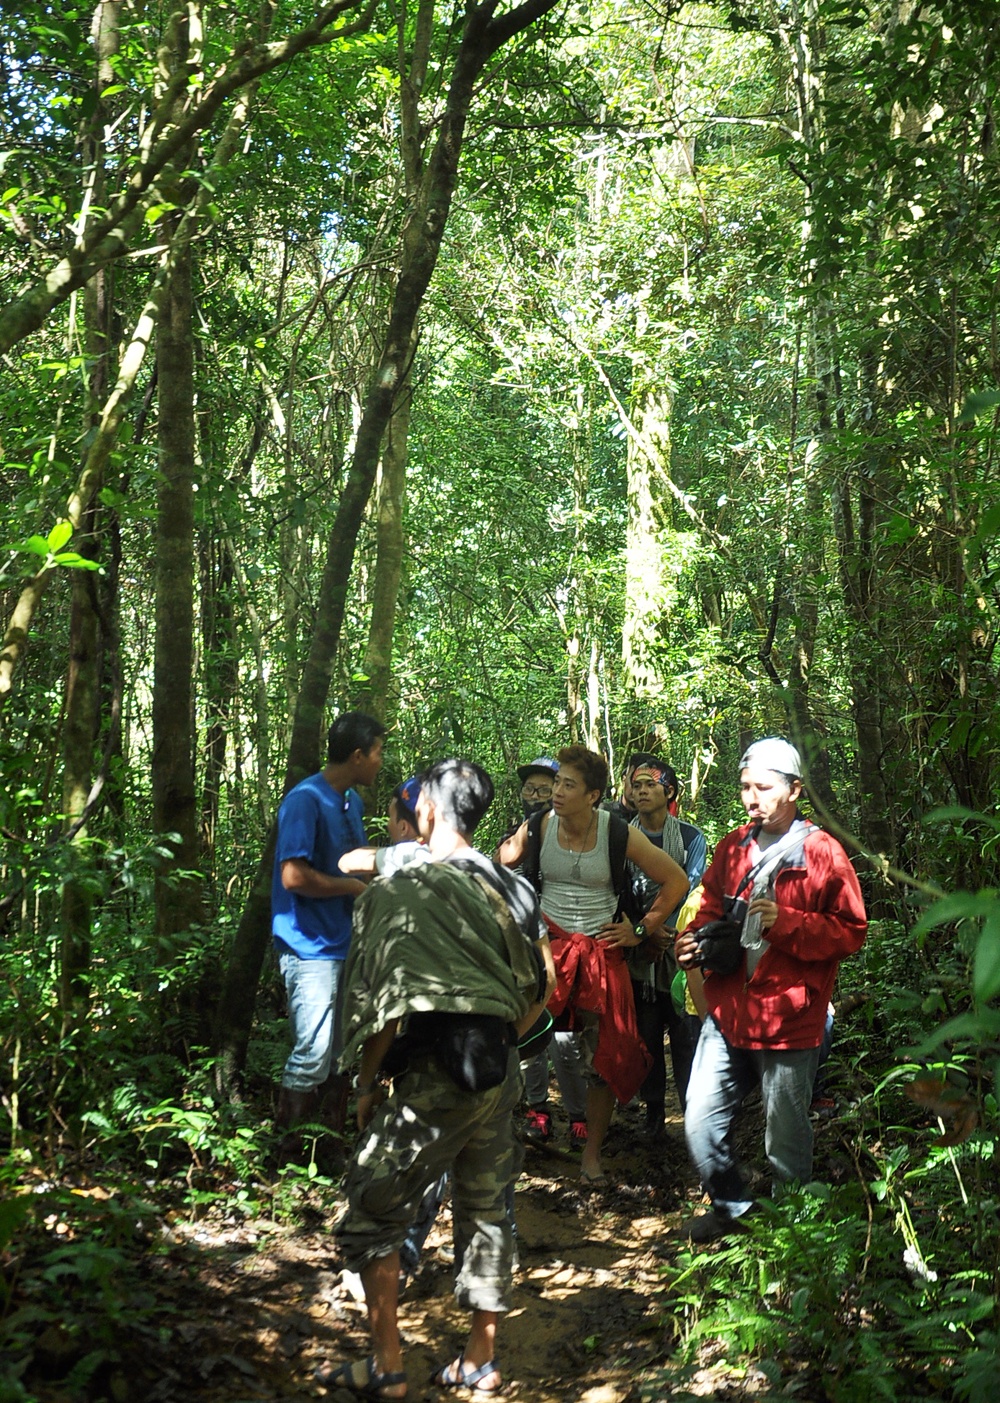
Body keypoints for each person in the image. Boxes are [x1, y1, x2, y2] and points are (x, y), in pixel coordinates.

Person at [325, 759, 554, 1400]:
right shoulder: (514, 889)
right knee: (486, 1210)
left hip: (434, 1075)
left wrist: (368, 1083)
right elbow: (543, 986)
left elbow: (385, 1003)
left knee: (372, 1206)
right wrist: (504, 1034)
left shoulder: (406, 882)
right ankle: (480, 1360)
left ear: (426, 810)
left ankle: (387, 1366)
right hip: (498, 1071)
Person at [675, 737, 867, 1242]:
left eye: (763, 787)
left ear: (794, 790)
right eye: (745, 787)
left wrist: (786, 923)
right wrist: (693, 944)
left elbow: (851, 931)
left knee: (785, 1138)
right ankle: (733, 1209)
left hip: (791, 1017)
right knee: (698, 1118)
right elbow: (711, 907)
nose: (751, 798)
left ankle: (793, 1235)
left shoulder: (823, 851)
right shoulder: (732, 847)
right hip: (730, 1011)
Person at [498, 744, 688, 1184]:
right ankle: (501, 1137)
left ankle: (591, 1155)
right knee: (511, 1037)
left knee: (603, 1057)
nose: (557, 792)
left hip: (602, 953)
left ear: (593, 795)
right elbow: (498, 867)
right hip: (549, 949)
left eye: (568, 785)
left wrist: (640, 929)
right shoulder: (538, 827)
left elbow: (675, 880)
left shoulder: (618, 833)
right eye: (557, 783)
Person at [271, 711, 385, 1133]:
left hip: (343, 943)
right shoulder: (306, 799)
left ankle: (326, 1145)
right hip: (308, 947)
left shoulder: (350, 801)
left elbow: (353, 862)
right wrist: (349, 888)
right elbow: (293, 876)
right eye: (376, 753)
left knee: (339, 1053)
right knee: (313, 1052)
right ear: (357, 755)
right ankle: (287, 1150)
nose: (379, 761)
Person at [625, 759, 707, 1138]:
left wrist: (661, 930)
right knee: (646, 1033)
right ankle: (653, 1112)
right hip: (639, 951)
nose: (641, 790)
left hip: (677, 950)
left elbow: (691, 890)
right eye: (635, 784)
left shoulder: (691, 838)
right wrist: (642, 932)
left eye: (649, 784)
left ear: (669, 792)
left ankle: (693, 1114)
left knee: (685, 1033)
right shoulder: (621, 835)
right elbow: (618, 889)